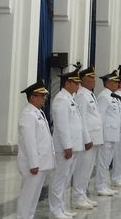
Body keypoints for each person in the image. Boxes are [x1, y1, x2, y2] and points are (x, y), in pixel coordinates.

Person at [49, 69, 85, 219]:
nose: (78, 86)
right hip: (66, 147)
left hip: (74, 145)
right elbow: (62, 126)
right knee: (59, 179)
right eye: (76, 83)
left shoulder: (69, 98)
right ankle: (55, 210)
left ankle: (61, 208)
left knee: (66, 178)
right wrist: (67, 146)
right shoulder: (61, 99)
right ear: (67, 83)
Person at [17, 80, 54, 219]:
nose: (44, 99)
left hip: (41, 162)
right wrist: (33, 164)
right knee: (27, 197)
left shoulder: (37, 112)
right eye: (42, 96)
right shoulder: (28, 114)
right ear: (32, 97)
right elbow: (29, 142)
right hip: (33, 164)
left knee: (34, 198)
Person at [71, 66, 102, 210]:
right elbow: (81, 119)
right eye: (91, 78)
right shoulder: (82, 96)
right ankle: (78, 197)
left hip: (94, 138)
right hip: (88, 139)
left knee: (88, 169)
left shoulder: (89, 94)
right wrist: (86, 139)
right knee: (82, 169)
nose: (94, 80)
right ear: (84, 80)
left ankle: (83, 195)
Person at [95, 70, 121, 197]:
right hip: (106, 135)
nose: (117, 84)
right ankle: (100, 186)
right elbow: (100, 116)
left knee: (107, 162)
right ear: (108, 83)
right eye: (115, 82)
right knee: (102, 162)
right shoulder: (104, 96)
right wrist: (101, 136)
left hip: (113, 134)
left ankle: (105, 185)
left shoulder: (112, 96)